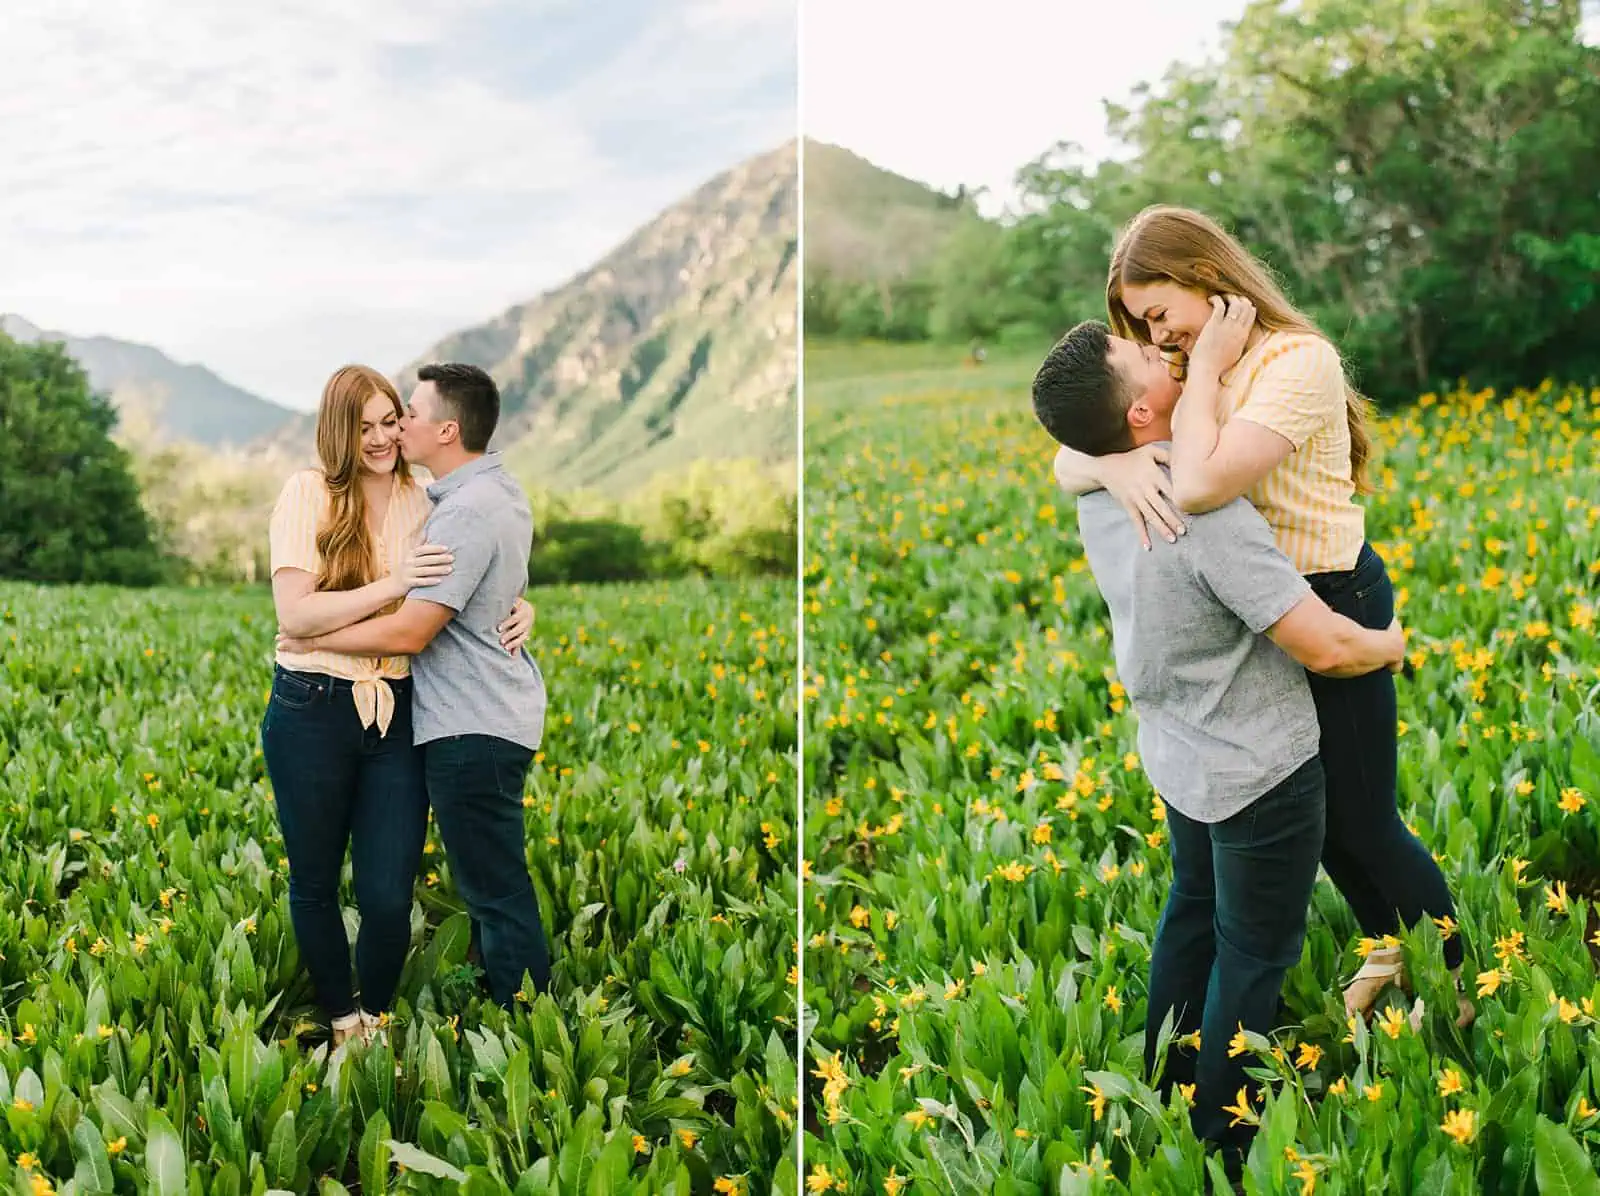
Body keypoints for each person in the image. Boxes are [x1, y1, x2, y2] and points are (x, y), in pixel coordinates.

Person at [1050, 205, 1471, 1028]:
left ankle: (1453, 980)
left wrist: (1191, 384)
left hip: (1324, 597)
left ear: (1207, 278)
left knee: (1362, 821)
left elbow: (1203, 486)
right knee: (1315, 818)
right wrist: (1108, 458)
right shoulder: (1198, 366)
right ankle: (1392, 949)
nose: (1160, 338)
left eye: (1160, 314)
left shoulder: (1293, 360)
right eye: (1144, 328)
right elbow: (1068, 450)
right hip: (1259, 609)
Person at [1030, 316, 1407, 1174]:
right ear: (1136, 416)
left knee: (1192, 908)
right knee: (1255, 951)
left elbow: (1072, 456)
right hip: (1258, 771)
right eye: (1144, 358)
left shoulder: (1106, 485)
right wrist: (1392, 643)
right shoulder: (1203, 511)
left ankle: (1165, 1080)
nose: (1161, 353)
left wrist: (1124, 439)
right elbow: (1324, 646)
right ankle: (1224, 1137)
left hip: (1178, 750)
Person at [265, 364, 533, 1048]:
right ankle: (342, 1022)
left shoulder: (428, 500)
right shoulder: (307, 495)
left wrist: (519, 605)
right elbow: (293, 611)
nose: (383, 438)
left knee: (388, 894)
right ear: (338, 430)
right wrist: (391, 581)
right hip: (311, 704)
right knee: (317, 881)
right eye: (365, 427)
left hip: (399, 708)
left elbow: (474, 572)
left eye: (392, 421)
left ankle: (376, 1015)